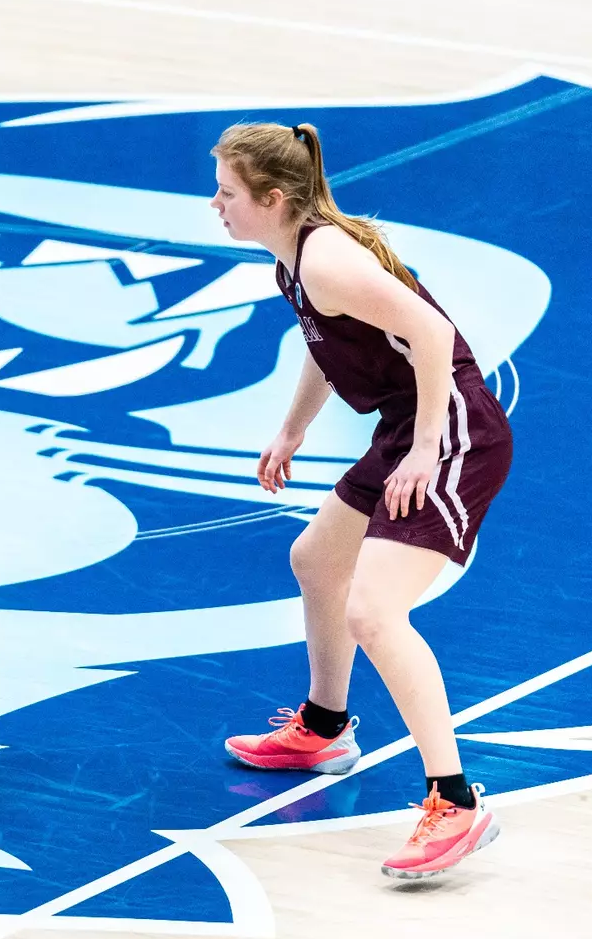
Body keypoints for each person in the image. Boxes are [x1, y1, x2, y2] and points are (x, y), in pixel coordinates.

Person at [210, 123, 512, 878]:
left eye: (227, 194)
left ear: (273, 199)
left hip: (452, 429)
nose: (214, 205)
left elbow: (433, 332)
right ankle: (323, 727)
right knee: (316, 560)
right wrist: (292, 430)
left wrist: (424, 450)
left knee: (375, 611)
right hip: (407, 422)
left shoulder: (328, 262)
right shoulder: (296, 261)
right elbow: (326, 344)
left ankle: (455, 802)